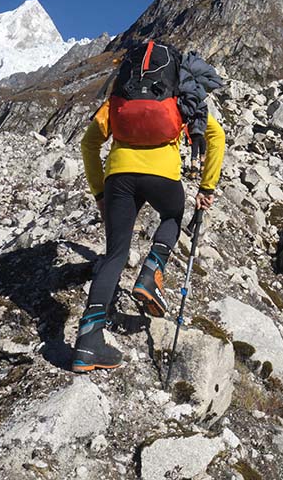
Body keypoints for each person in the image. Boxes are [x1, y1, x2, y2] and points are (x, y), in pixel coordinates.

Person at [71, 58, 225, 373]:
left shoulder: (120, 100)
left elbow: (89, 144)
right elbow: (216, 137)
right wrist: (206, 188)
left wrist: (100, 193)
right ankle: (150, 273)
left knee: (115, 255)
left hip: (119, 178)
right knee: (172, 214)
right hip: (162, 178)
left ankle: (87, 344)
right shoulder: (179, 99)